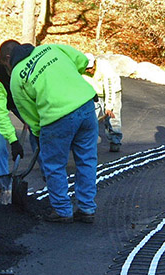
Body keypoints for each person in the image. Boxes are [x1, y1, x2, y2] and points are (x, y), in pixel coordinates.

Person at [9, 43, 98, 223]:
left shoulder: (17, 75)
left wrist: (38, 133)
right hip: (86, 106)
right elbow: (82, 61)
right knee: (87, 159)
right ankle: (87, 208)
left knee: (54, 165)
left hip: (56, 118)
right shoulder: (52, 48)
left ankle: (63, 210)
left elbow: (28, 112)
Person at [0, 38, 38, 204]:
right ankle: (4, 182)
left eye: (7, 64)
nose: (7, 69)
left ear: (9, 58)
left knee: (38, 132)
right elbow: (0, 113)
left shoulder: (29, 64)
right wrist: (14, 141)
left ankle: (48, 172)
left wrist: (32, 117)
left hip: (21, 101)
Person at [83, 54, 123, 153]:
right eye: (86, 68)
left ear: (95, 63)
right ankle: (87, 142)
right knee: (90, 117)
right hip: (94, 93)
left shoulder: (105, 69)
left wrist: (108, 106)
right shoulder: (81, 69)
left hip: (112, 91)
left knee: (112, 118)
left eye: (90, 68)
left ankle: (115, 140)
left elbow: (110, 89)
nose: (88, 70)